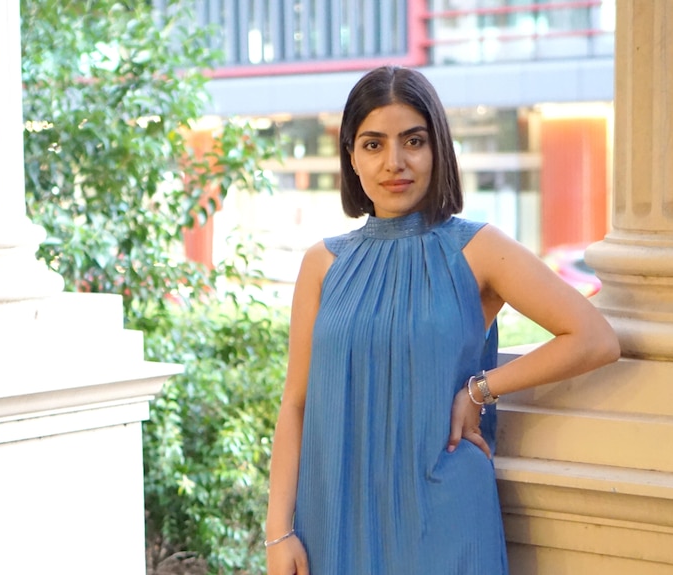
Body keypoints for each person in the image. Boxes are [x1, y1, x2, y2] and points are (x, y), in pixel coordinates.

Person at [264, 66, 620, 575]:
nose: (395, 162)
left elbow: (594, 337)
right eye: (373, 144)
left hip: (447, 517)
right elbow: (296, 403)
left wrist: (480, 389)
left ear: (439, 149)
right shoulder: (323, 264)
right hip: (335, 517)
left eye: (414, 140)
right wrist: (279, 530)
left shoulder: (477, 249)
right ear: (350, 157)